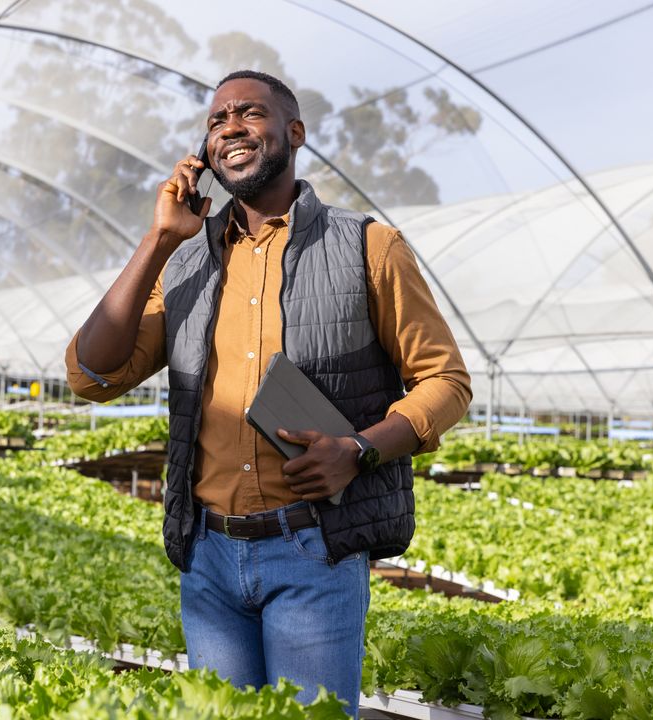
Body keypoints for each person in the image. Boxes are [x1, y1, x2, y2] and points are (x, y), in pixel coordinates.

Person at [66, 70, 471, 717]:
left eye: (249, 113)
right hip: (209, 557)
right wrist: (160, 238)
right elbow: (92, 372)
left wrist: (360, 449)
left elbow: (446, 380)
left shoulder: (366, 246)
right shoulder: (187, 264)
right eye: (217, 119)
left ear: (294, 133)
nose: (229, 126)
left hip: (313, 549)